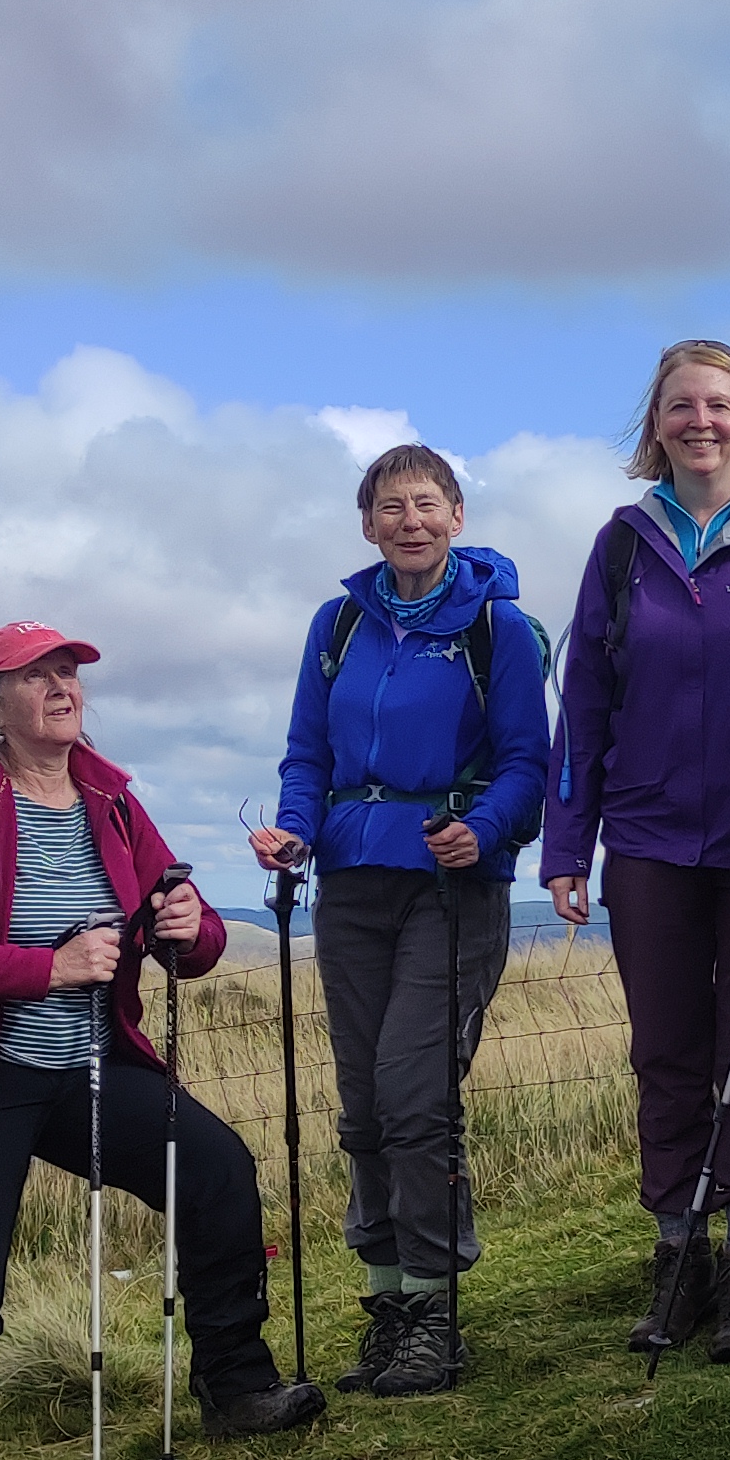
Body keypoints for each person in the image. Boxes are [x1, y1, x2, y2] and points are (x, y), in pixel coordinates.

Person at [0, 623, 322, 1460]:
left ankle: (237, 1389)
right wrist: (45, 969)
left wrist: (190, 924)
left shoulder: (111, 800)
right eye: (32, 676)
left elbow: (184, 949)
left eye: (67, 672)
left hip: (86, 1066)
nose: (59, 687)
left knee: (215, 1171)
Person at [545, 341, 730, 1360]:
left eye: (719, 404)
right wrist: (565, 844)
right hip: (648, 838)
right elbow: (583, 702)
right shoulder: (623, 545)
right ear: (656, 424)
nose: (700, 421)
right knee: (666, 1051)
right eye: (681, 405)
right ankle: (680, 1256)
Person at [247, 443, 552, 1399]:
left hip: (451, 883)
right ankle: (386, 1304)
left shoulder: (501, 630)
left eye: (427, 503)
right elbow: (306, 752)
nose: (409, 521)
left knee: (418, 1097)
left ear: (458, 516)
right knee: (366, 1107)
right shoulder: (337, 625)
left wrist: (487, 828)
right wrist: (294, 831)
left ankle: (434, 1312)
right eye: (390, 507)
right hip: (351, 878)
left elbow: (527, 765)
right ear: (368, 523)